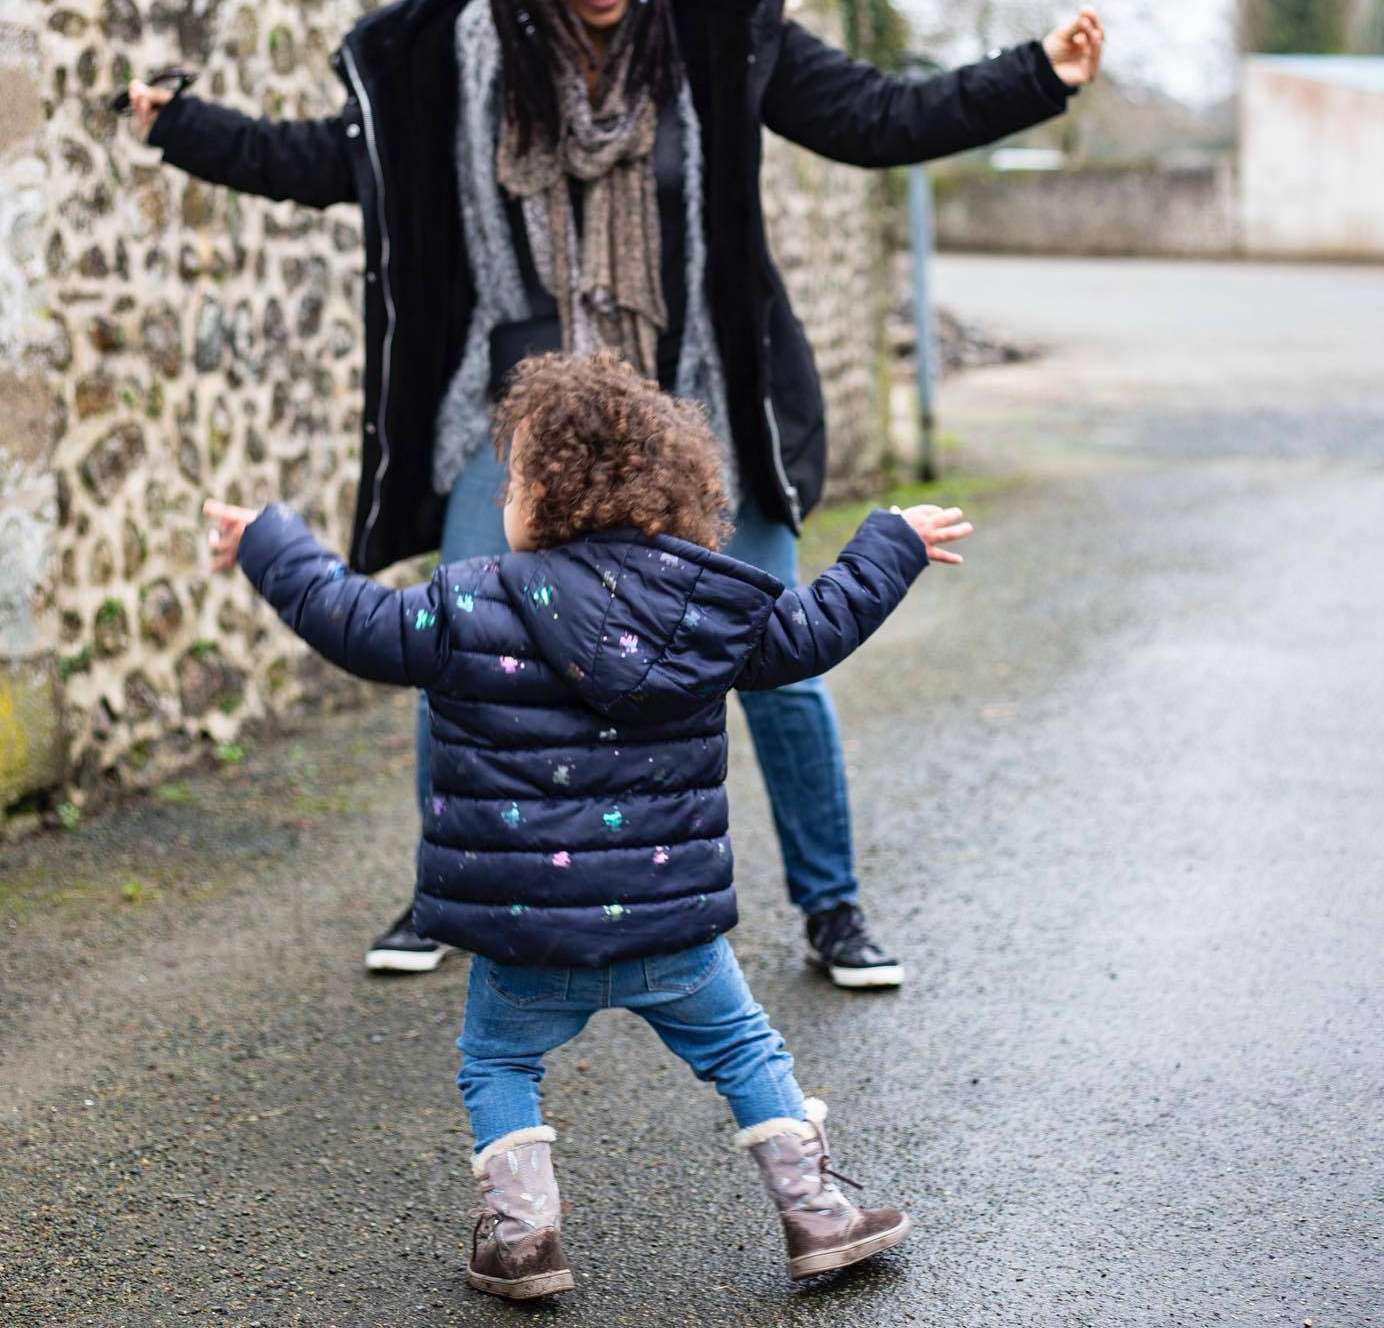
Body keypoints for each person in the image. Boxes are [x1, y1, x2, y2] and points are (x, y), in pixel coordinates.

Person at [129, 0, 1103, 989]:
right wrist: (178, 126)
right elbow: (331, 160)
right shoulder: (463, 59)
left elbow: (876, 118)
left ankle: (833, 904)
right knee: (463, 641)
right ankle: (453, 889)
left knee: (775, 655)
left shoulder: (713, 29)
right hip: (522, 414)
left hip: (700, 403)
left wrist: (1035, 74)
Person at [204, 350, 974, 1299]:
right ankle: (816, 1214)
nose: (506, 499)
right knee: (742, 1048)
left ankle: (524, 1238)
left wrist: (270, 543)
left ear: (544, 496)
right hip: (673, 927)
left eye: (516, 478)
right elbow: (817, 627)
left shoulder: (469, 600)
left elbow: (349, 617)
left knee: (496, 1056)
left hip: (528, 932)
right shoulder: (709, 605)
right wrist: (890, 543)